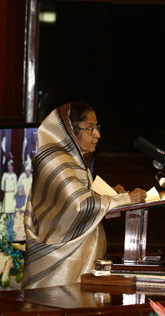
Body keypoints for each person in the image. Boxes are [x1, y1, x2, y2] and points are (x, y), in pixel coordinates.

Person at [22, 102, 147, 289]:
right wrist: (125, 199)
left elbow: (78, 201)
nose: (98, 134)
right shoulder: (56, 162)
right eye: (90, 128)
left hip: (76, 265)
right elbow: (79, 206)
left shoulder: (73, 160)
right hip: (60, 270)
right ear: (70, 130)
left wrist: (111, 194)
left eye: (97, 127)